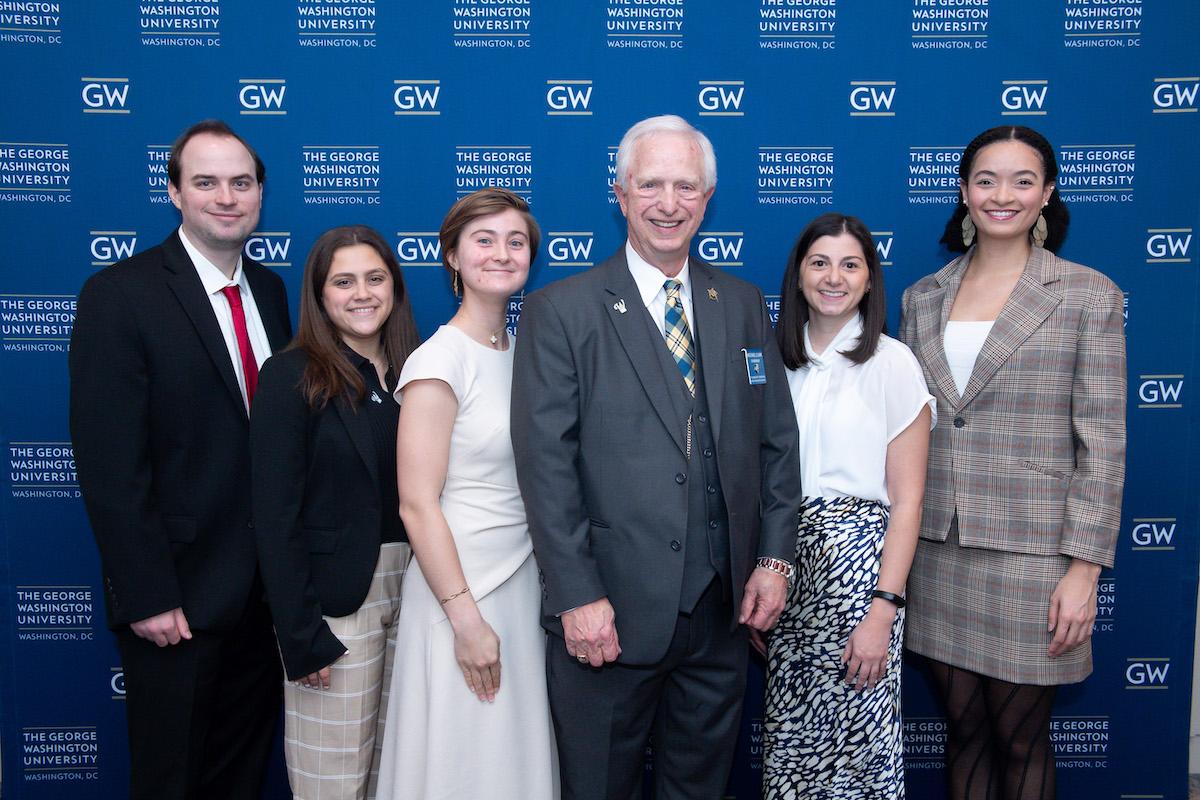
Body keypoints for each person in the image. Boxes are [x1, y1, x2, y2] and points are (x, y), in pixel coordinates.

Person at [511, 114, 803, 800]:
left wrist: (773, 559)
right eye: (650, 185)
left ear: (708, 198)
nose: (668, 203)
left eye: (686, 186)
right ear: (619, 193)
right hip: (607, 619)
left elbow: (776, 444)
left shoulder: (740, 304)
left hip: (720, 619)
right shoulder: (562, 311)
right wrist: (578, 595)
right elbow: (547, 470)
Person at [900, 126, 1126, 799]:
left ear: (1047, 192)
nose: (1003, 195)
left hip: (1037, 556)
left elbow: (1103, 441)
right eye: (987, 180)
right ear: (964, 190)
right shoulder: (922, 297)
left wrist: (1084, 569)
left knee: (1021, 739)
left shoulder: (1087, 293)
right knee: (965, 731)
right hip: (939, 550)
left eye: (1023, 181)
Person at [68, 119, 291, 800]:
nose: (226, 197)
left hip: (264, 600)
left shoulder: (272, 292)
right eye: (206, 182)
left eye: (241, 182)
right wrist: (148, 594)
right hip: (178, 601)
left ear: (260, 194)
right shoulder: (120, 295)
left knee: (240, 777)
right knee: (172, 780)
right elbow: (110, 463)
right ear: (174, 193)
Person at [374, 188, 557, 799]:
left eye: (515, 242)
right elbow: (416, 504)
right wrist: (465, 619)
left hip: (521, 586)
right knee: (462, 764)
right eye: (484, 240)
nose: (501, 254)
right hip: (461, 595)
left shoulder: (525, 355)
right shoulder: (439, 361)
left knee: (509, 760)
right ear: (452, 256)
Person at [762, 213, 933, 799]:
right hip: (783, 566)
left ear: (868, 279)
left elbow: (908, 500)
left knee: (859, 749)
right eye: (820, 263)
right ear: (798, 274)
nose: (833, 278)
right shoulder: (771, 361)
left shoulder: (892, 362)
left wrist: (884, 610)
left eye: (849, 265)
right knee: (792, 743)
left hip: (861, 580)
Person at [250, 225, 420, 799]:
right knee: (334, 782)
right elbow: (274, 516)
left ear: (395, 287)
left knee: (396, 777)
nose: (362, 293)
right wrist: (301, 635)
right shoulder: (290, 375)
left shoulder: (417, 370)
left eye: (375, 278)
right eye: (343, 282)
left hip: (419, 593)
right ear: (320, 295)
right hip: (336, 608)